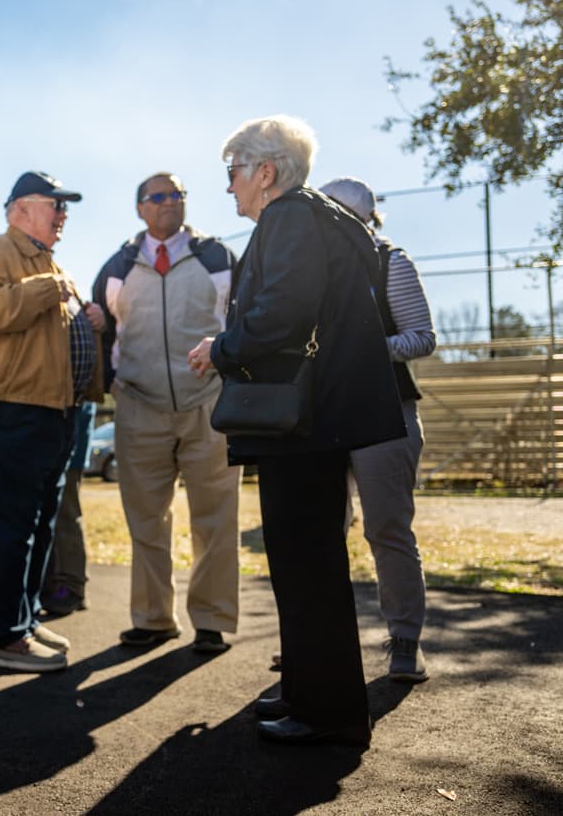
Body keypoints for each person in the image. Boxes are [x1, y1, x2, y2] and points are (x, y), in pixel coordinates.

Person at [187, 115, 405, 747]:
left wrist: (220, 349)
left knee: (307, 565)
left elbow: (282, 312)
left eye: (233, 172)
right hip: (314, 420)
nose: (229, 186)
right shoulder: (312, 217)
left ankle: (329, 712)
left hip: (303, 424)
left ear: (266, 172)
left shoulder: (290, 218)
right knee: (303, 562)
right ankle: (308, 690)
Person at [0, 171, 104, 674]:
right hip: (9, 411)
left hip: (51, 413)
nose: (63, 215)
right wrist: (47, 288)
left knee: (38, 525)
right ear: (20, 208)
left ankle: (23, 618)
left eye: (66, 207)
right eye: (55, 204)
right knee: (7, 527)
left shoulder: (47, 261)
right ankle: (1, 637)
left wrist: (90, 323)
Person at [94, 172, 240, 654]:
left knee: (215, 518)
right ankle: (154, 619)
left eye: (177, 194)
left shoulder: (218, 257)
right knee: (146, 521)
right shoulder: (117, 266)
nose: (170, 202)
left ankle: (212, 621)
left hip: (209, 404)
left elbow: (242, 321)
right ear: (140, 208)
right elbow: (102, 331)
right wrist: (111, 383)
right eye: (158, 196)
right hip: (139, 406)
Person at [321, 176, 436, 683]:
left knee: (387, 528)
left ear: (363, 220)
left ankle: (405, 639)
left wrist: (368, 348)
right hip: (322, 416)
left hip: (385, 413)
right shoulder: (307, 268)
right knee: (320, 532)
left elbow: (422, 337)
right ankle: (316, 643)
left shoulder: (391, 261)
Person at [40, 400, 95, 616]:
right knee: (51, 514)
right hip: (53, 440)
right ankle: (54, 583)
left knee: (66, 514)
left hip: (68, 441)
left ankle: (71, 586)